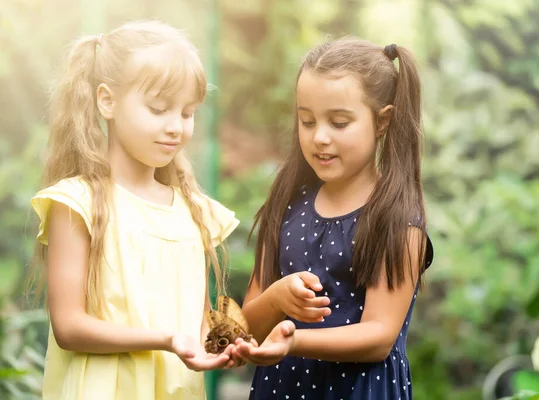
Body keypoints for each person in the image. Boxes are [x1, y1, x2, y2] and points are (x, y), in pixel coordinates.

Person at [28, 20, 290, 400]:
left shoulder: (193, 212)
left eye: (187, 113)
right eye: (158, 109)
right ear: (107, 101)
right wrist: (166, 340)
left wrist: (234, 346)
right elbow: (69, 327)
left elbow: (198, 330)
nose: (176, 128)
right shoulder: (76, 203)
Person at [235, 38, 435, 400]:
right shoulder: (284, 205)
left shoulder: (397, 220)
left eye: (339, 123)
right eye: (307, 120)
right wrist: (276, 299)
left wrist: (292, 340)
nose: (319, 137)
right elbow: (247, 325)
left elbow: (378, 336)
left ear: (382, 121)